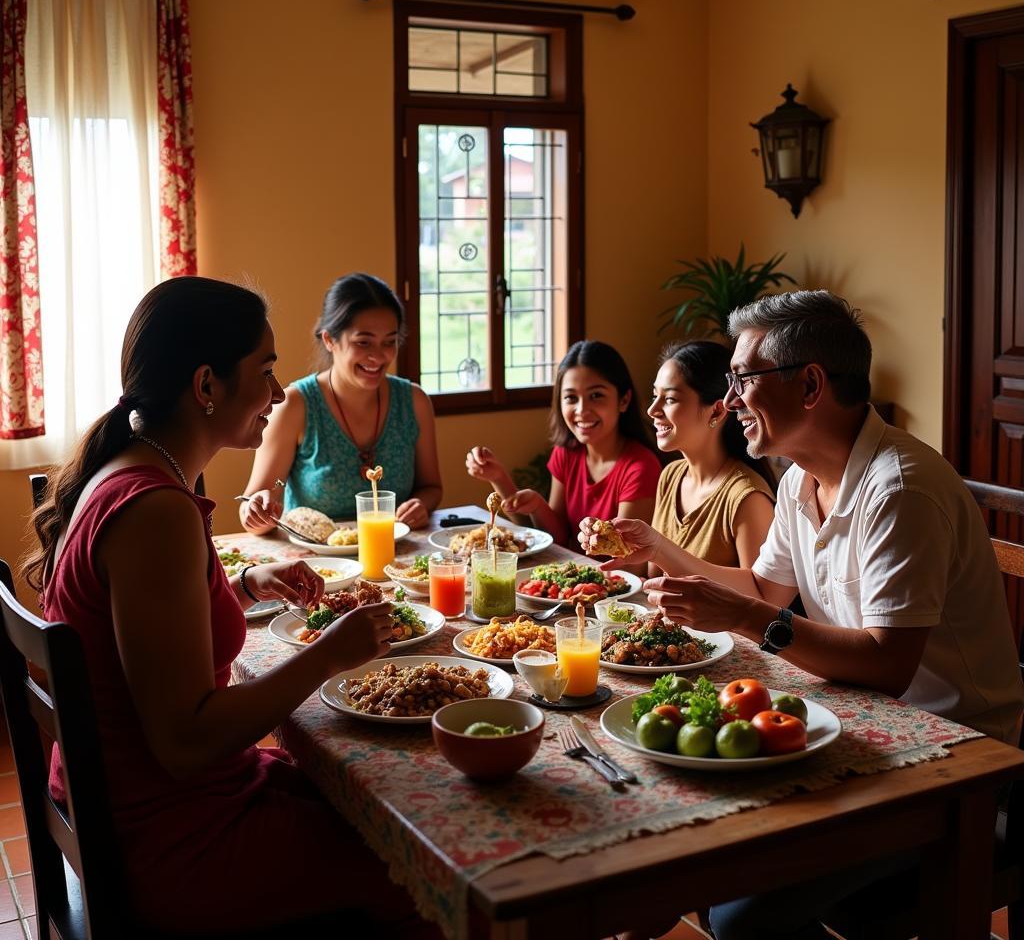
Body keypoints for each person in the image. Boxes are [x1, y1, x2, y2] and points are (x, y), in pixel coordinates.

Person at [582, 290, 1024, 940]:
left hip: (951, 760)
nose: (729, 399)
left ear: (811, 384)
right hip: (858, 725)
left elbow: (889, 665)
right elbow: (763, 586)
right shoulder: (798, 479)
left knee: (738, 912)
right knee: (668, 817)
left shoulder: (899, 489)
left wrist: (746, 616)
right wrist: (671, 559)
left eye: (741, 379)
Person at [24, 277, 437, 937]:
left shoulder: (136, 473)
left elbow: (143, 632)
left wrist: (241, 588)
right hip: (171, 838)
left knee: (386, 806)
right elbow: (188, 742)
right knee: (422, 867)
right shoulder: (154, 509)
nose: (277, 394)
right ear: (206, 385)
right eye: (266, 371)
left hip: (144, 801)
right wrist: (329, 655)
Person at [241, 273, 441, 532]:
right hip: (317, 565)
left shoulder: (414, 402)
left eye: (389, 342)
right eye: (363, 342)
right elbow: (252, 504)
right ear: (329, 340)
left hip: (395, 559)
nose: (378, 356)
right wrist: (257, 511)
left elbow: (432, 488)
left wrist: (420, 505)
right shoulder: (295, 405)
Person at [467, 340, 661, 561]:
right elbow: (556, 538)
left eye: (596, 396)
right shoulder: (566, 453)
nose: (582, 410)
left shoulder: (640, 467)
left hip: (614, 587)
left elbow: (629, 562)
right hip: (570, 577)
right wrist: (503, 481)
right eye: (570, 398)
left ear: (624, 400)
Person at [648, 340, 774, 572]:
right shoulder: (670, 476)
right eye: (655, 395)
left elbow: (760, 604)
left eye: (670, 399)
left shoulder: (747, 499)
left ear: (717, 410)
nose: (652, 410)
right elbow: (654, 577)